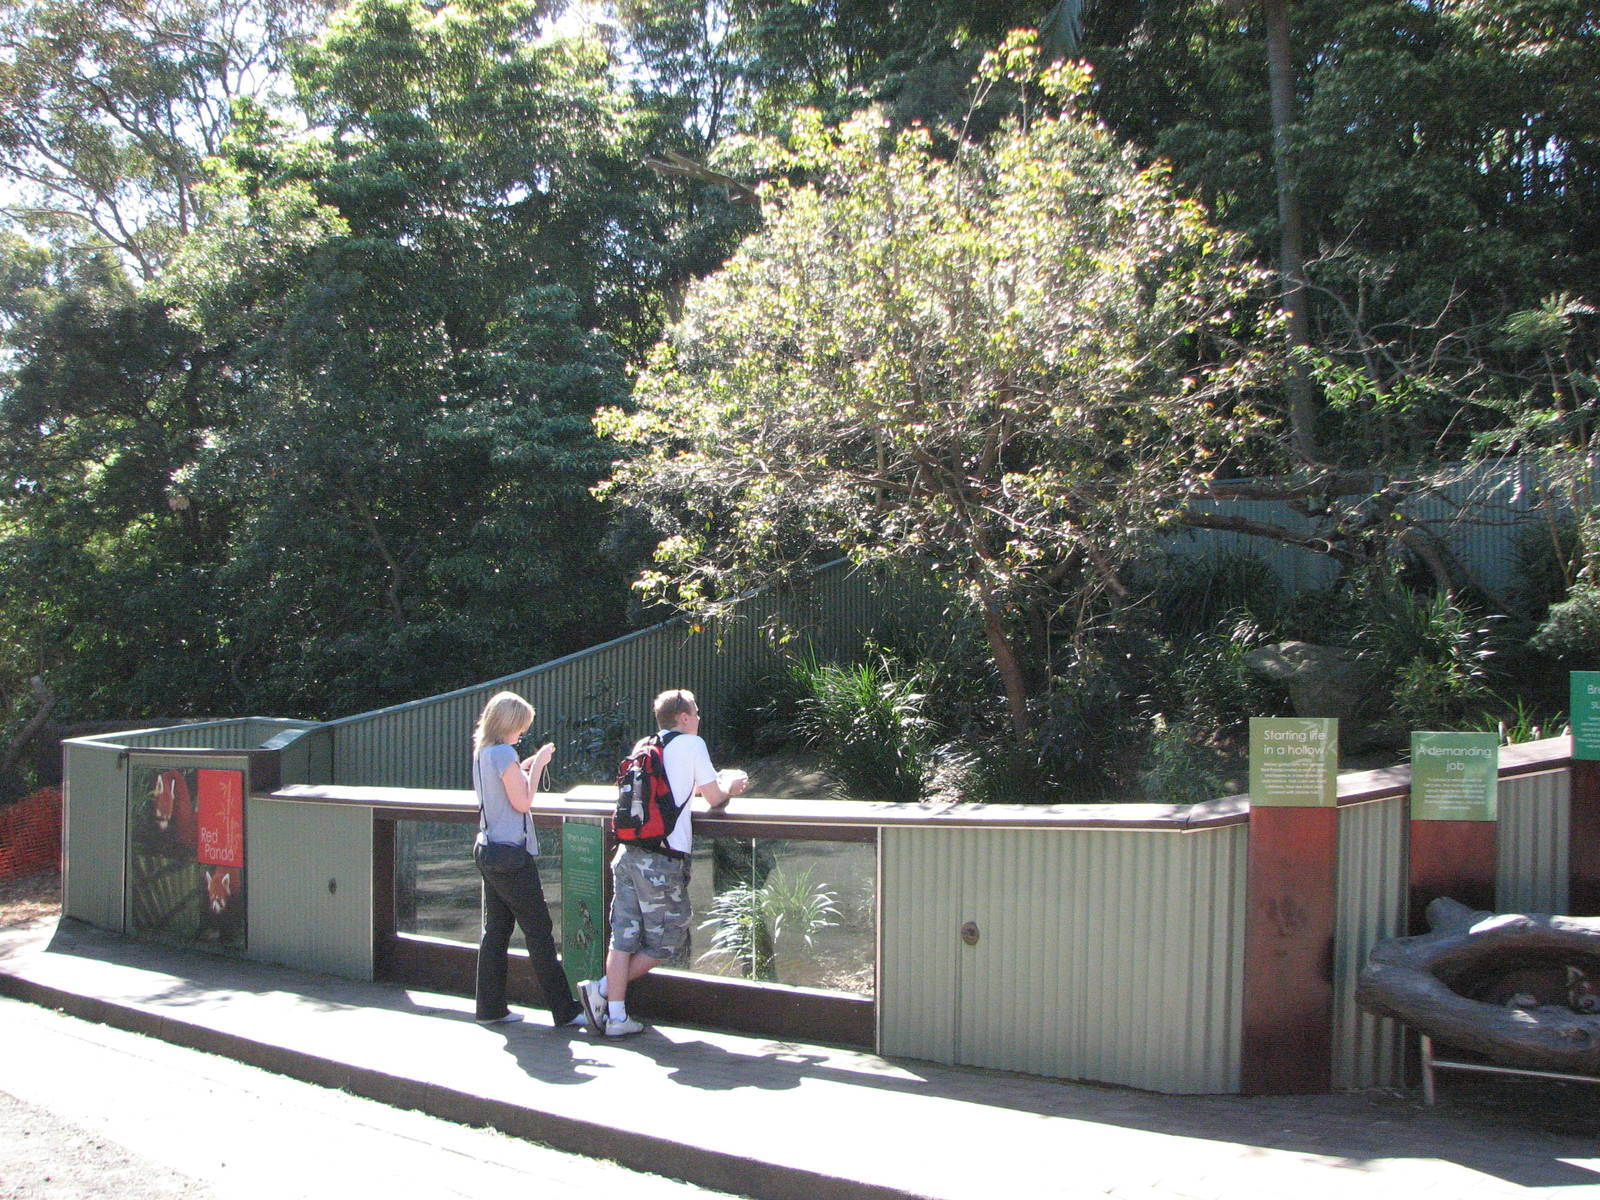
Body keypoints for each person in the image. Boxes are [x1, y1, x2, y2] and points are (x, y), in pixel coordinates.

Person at [579, 688, 748, 1037]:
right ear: (683, 718)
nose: (699, 719)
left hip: (627, 853)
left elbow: (673, 789)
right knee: (666, 942)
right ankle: (601, 990)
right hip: (662, 859)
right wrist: (730, 786)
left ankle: (617, 1016)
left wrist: (712, 784)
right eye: (696, 713)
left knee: (622, 938)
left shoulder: (646, 744)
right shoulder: (692, 744)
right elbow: (714, 798)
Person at [470, 690, 584, 1030]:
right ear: (509, 723)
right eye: (521, 726)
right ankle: (564, 1010)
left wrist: (528, 764)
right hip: (511, 856)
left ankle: (489, 1008)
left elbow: (506, 782)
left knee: (497, 930)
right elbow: (523, 801)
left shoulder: (485, 752)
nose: (523, 732)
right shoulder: (504, 751)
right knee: (539, 931)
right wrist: (540, 766)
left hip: (488, 849)